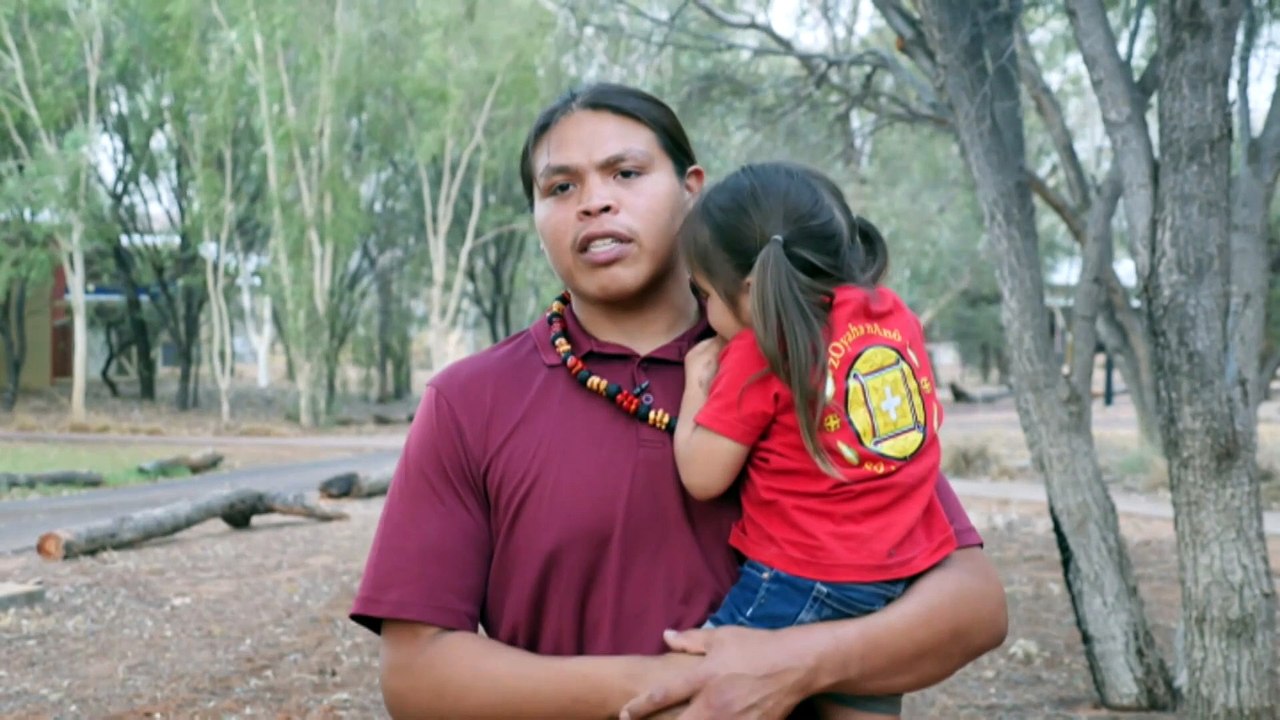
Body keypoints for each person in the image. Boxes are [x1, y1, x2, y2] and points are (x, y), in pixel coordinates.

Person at [349, 82, 1007, 720]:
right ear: (536, 215)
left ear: (693, 191)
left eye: (626, 173)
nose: (594, 203)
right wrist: (673, 684)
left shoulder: (801, 354)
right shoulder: (469, 402)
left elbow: (973, 605)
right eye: (560, 187)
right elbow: (416, 676)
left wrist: (794, 665)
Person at [665, 162, 957, 720]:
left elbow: (703, 476)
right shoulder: (891, 315)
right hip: (894, 581)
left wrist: (695, 386)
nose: (705, 311)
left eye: (704, 293)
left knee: (695, 690)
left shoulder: (765, 344)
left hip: (799, 577)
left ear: (749, 292)